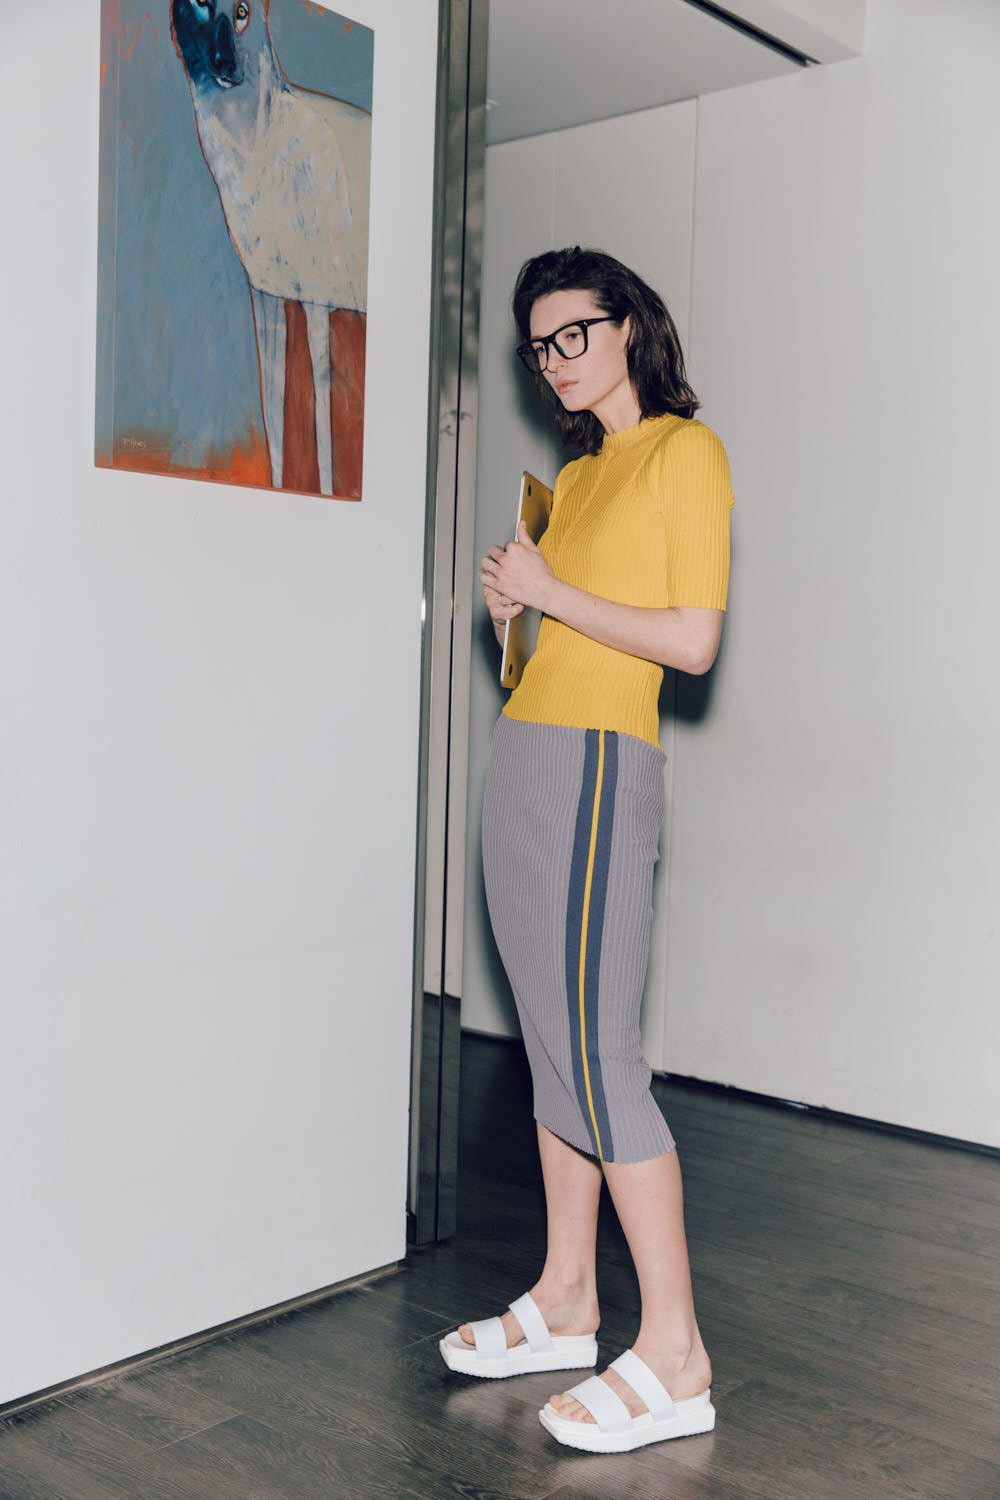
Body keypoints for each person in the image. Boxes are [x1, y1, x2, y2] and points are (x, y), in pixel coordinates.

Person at [439, 247, 733, 1455]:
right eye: (538, 346)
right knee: (551, 1048)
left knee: (601, 1057)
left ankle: (675, 1352)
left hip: (601, 768)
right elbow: (558, 640)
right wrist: (513, 617)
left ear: (628, 327)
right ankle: (567, 1295)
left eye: (573, 334)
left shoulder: (683, 452)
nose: (555, 360)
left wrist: (552, 593)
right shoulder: (578, 473)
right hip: (527, 754)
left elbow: (691, 641)